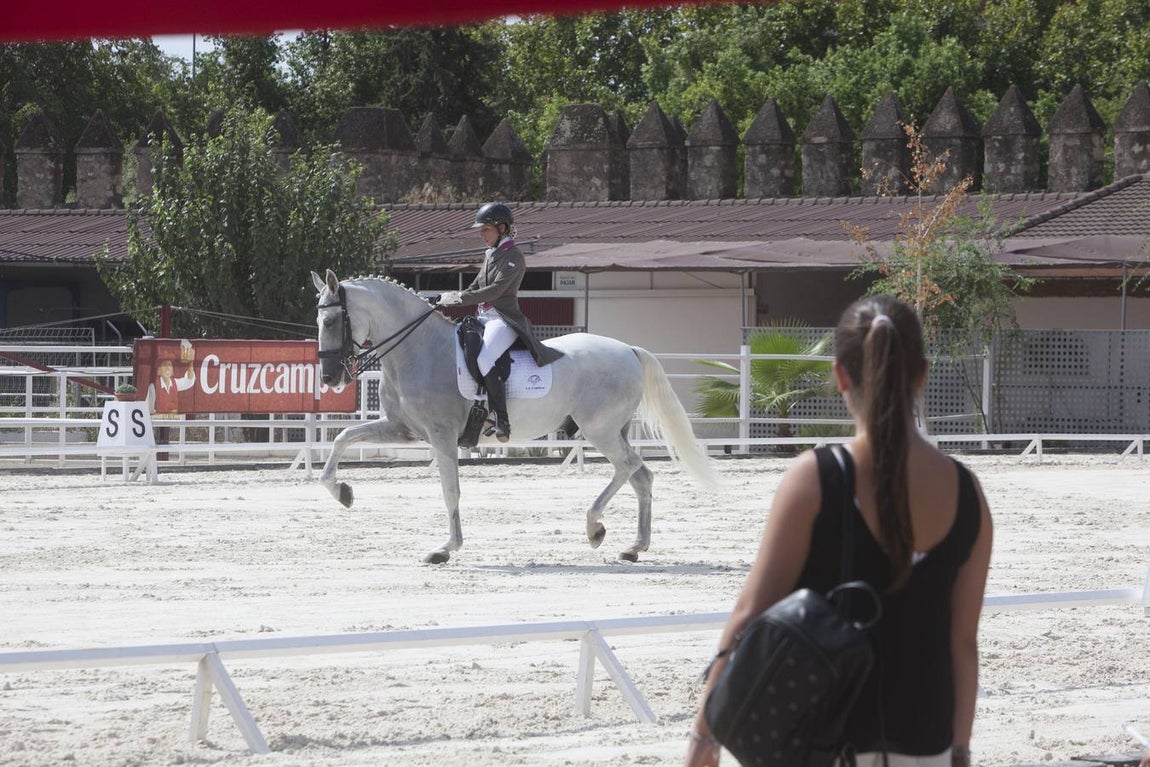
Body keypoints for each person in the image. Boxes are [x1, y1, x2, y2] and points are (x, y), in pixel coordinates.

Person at [685, 295, 993, 767]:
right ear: (922, 375)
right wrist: (961, 751)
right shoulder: (969, 495)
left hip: (822, 742)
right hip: (926, 742)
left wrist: (704, 738)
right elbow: (962, 644)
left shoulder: (815, 478)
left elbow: (750, 615)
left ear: (840, 376)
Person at [437, 202, 563, 441]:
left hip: (503, 319)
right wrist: (449, 296)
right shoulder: (490, 255)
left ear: (502, 228)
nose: (481, 234)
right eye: (481, 230)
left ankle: (500, 417)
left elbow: (496, 290)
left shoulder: (514, 255)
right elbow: (475, 286)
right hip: (482, 319)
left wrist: (460, 299)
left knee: (483, 356)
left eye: (486, 229)